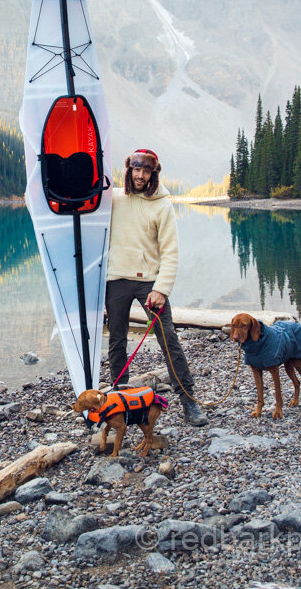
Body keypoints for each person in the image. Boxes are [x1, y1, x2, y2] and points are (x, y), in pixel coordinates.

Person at [105, 148, 208, 427]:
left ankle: (189, 401)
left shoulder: (162, 205)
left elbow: (170, 251)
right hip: (116, 279)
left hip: (150, 282)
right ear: (129, 170)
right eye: (136, 170)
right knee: (116, 339)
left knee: (168, 339)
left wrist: (161, 288)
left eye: (146, 171)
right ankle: (117, 400)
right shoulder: (113, 199)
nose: (140, 175)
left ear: (153, 173)